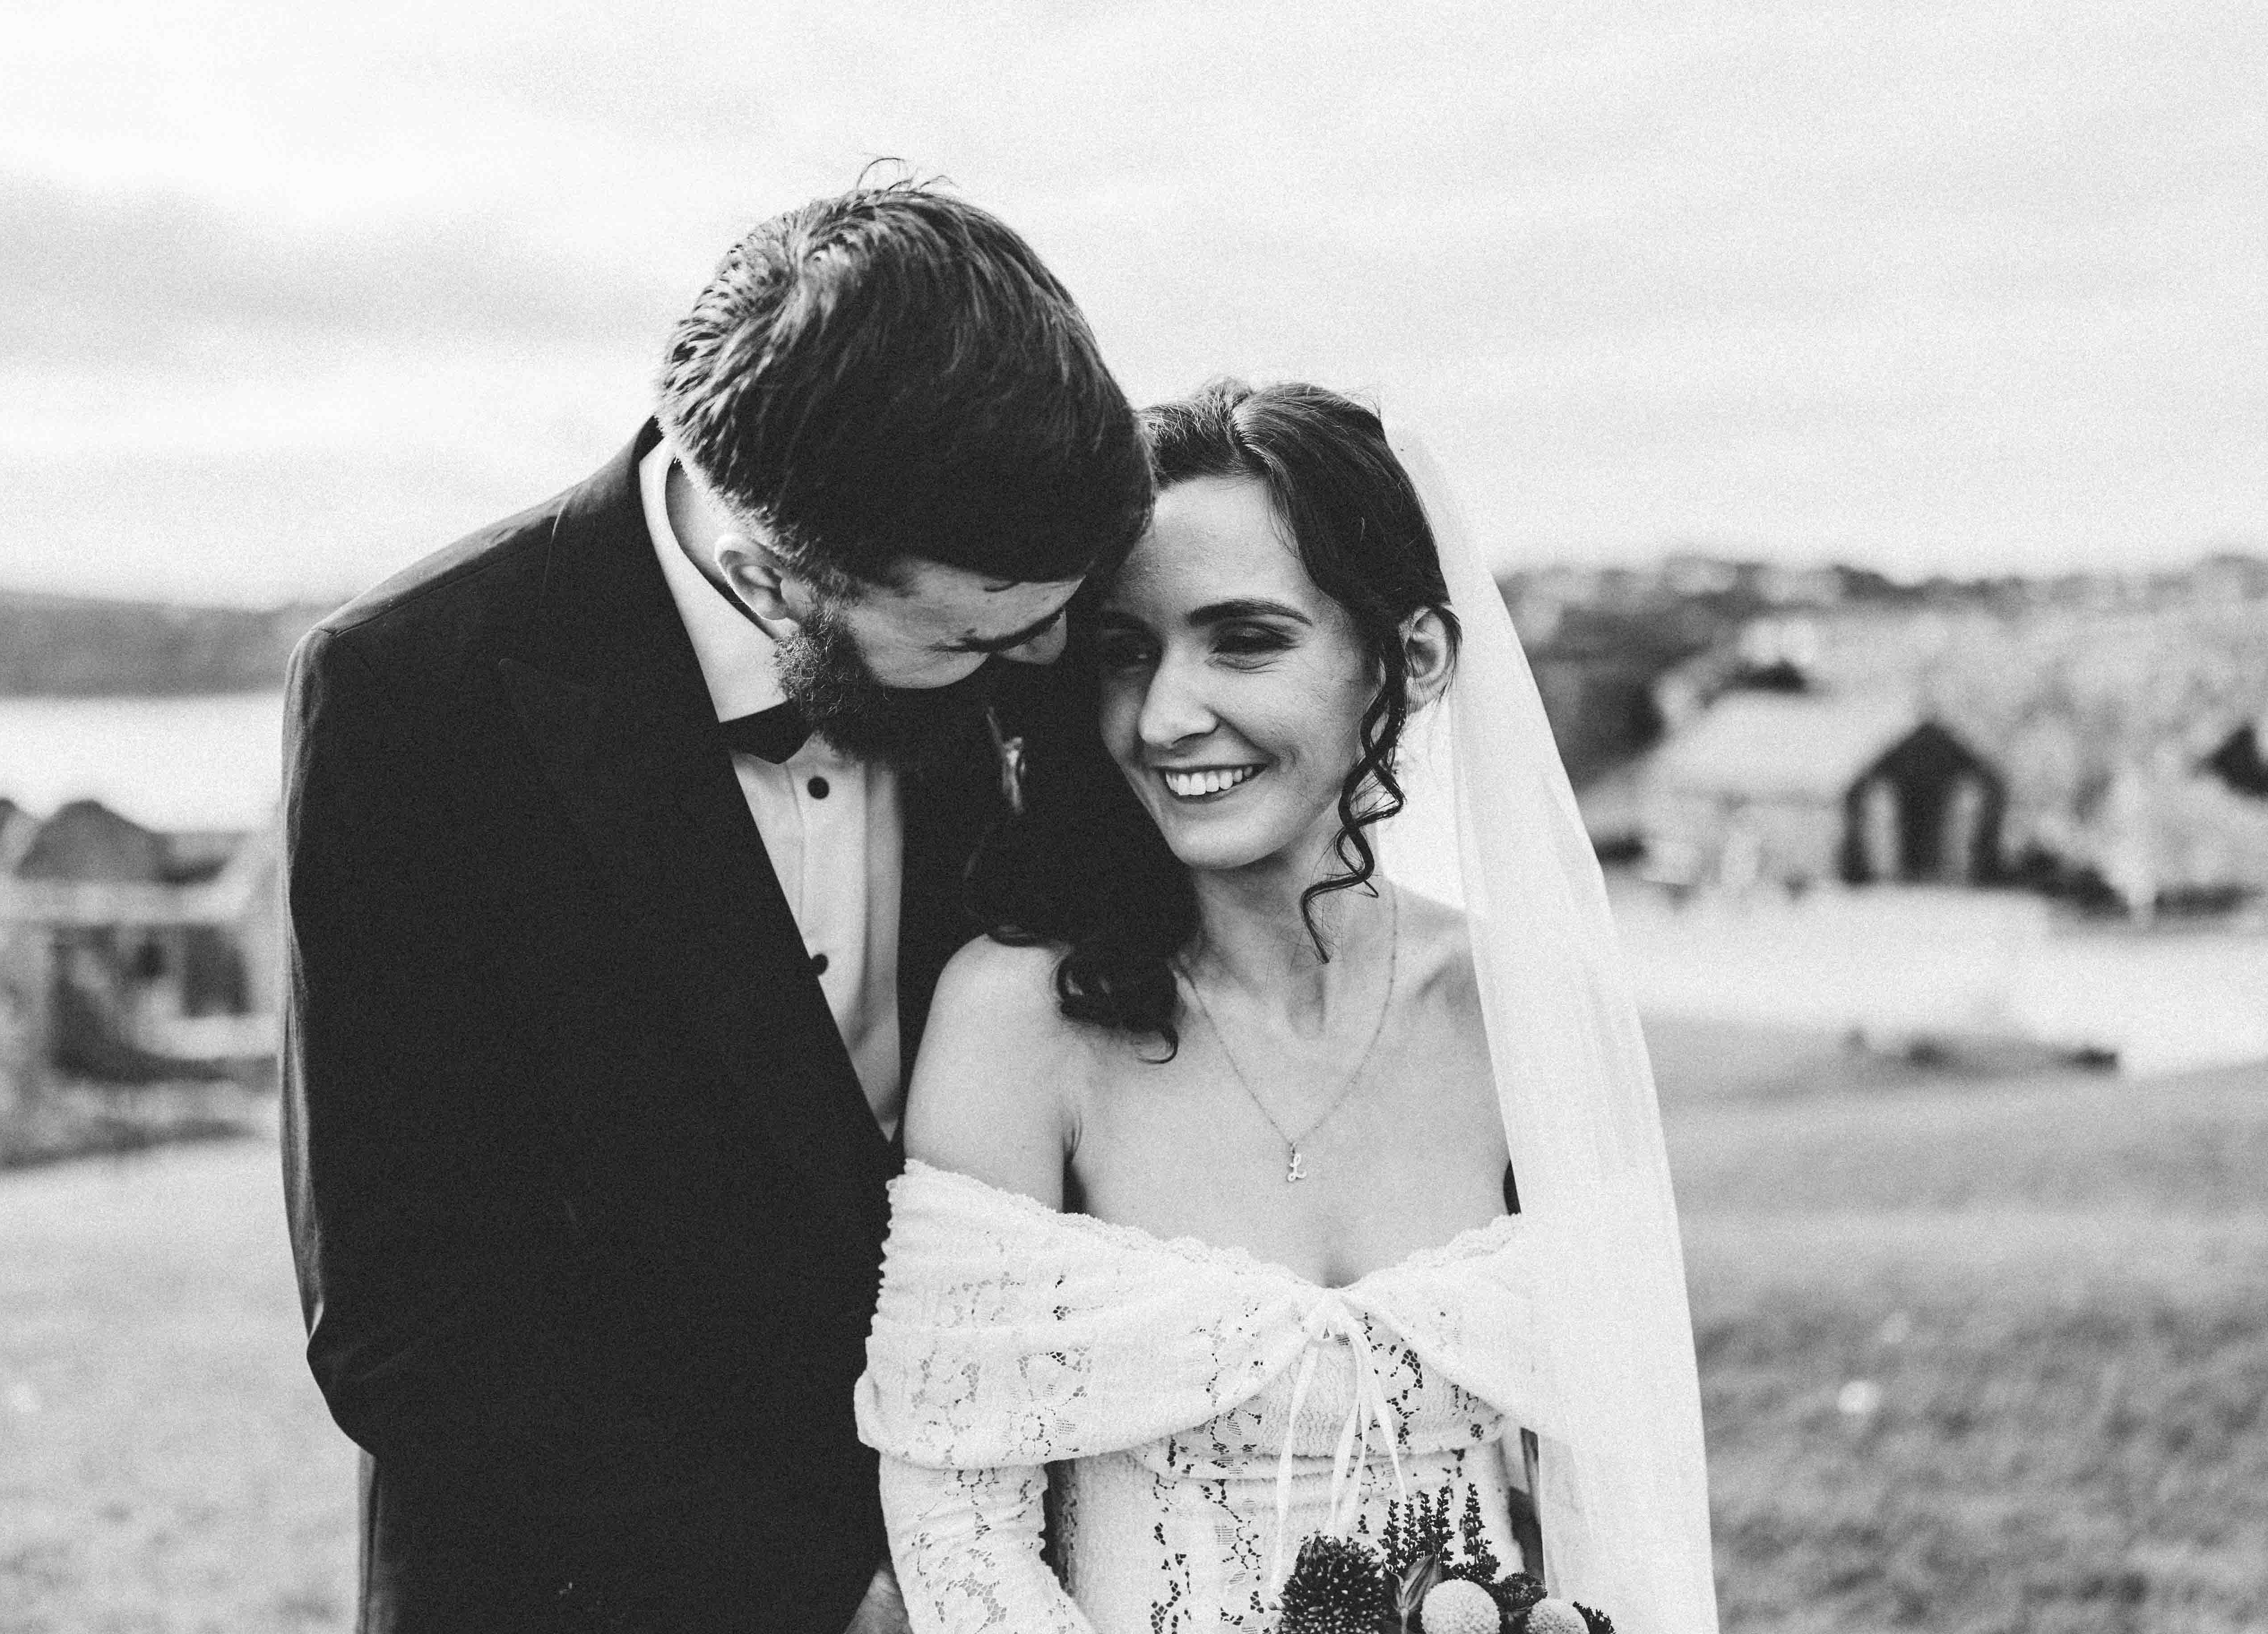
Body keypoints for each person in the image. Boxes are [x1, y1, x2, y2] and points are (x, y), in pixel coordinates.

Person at [280, 180, 1152, 1633]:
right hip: (596, 1580)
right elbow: (409, 1321)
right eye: (984, 629)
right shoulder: (409, 697)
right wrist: (825, 1591)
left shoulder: (1016, 587)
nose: (1058, 656)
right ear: (771, 571)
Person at [857, 382, 1719, 1634]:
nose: (1164, 717)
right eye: (1125, 651)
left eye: (1246, 641)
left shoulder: (1519, 1013)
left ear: (1411, 657)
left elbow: (1613, 1498)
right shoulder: (1022, 1021)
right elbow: (956, 1530)